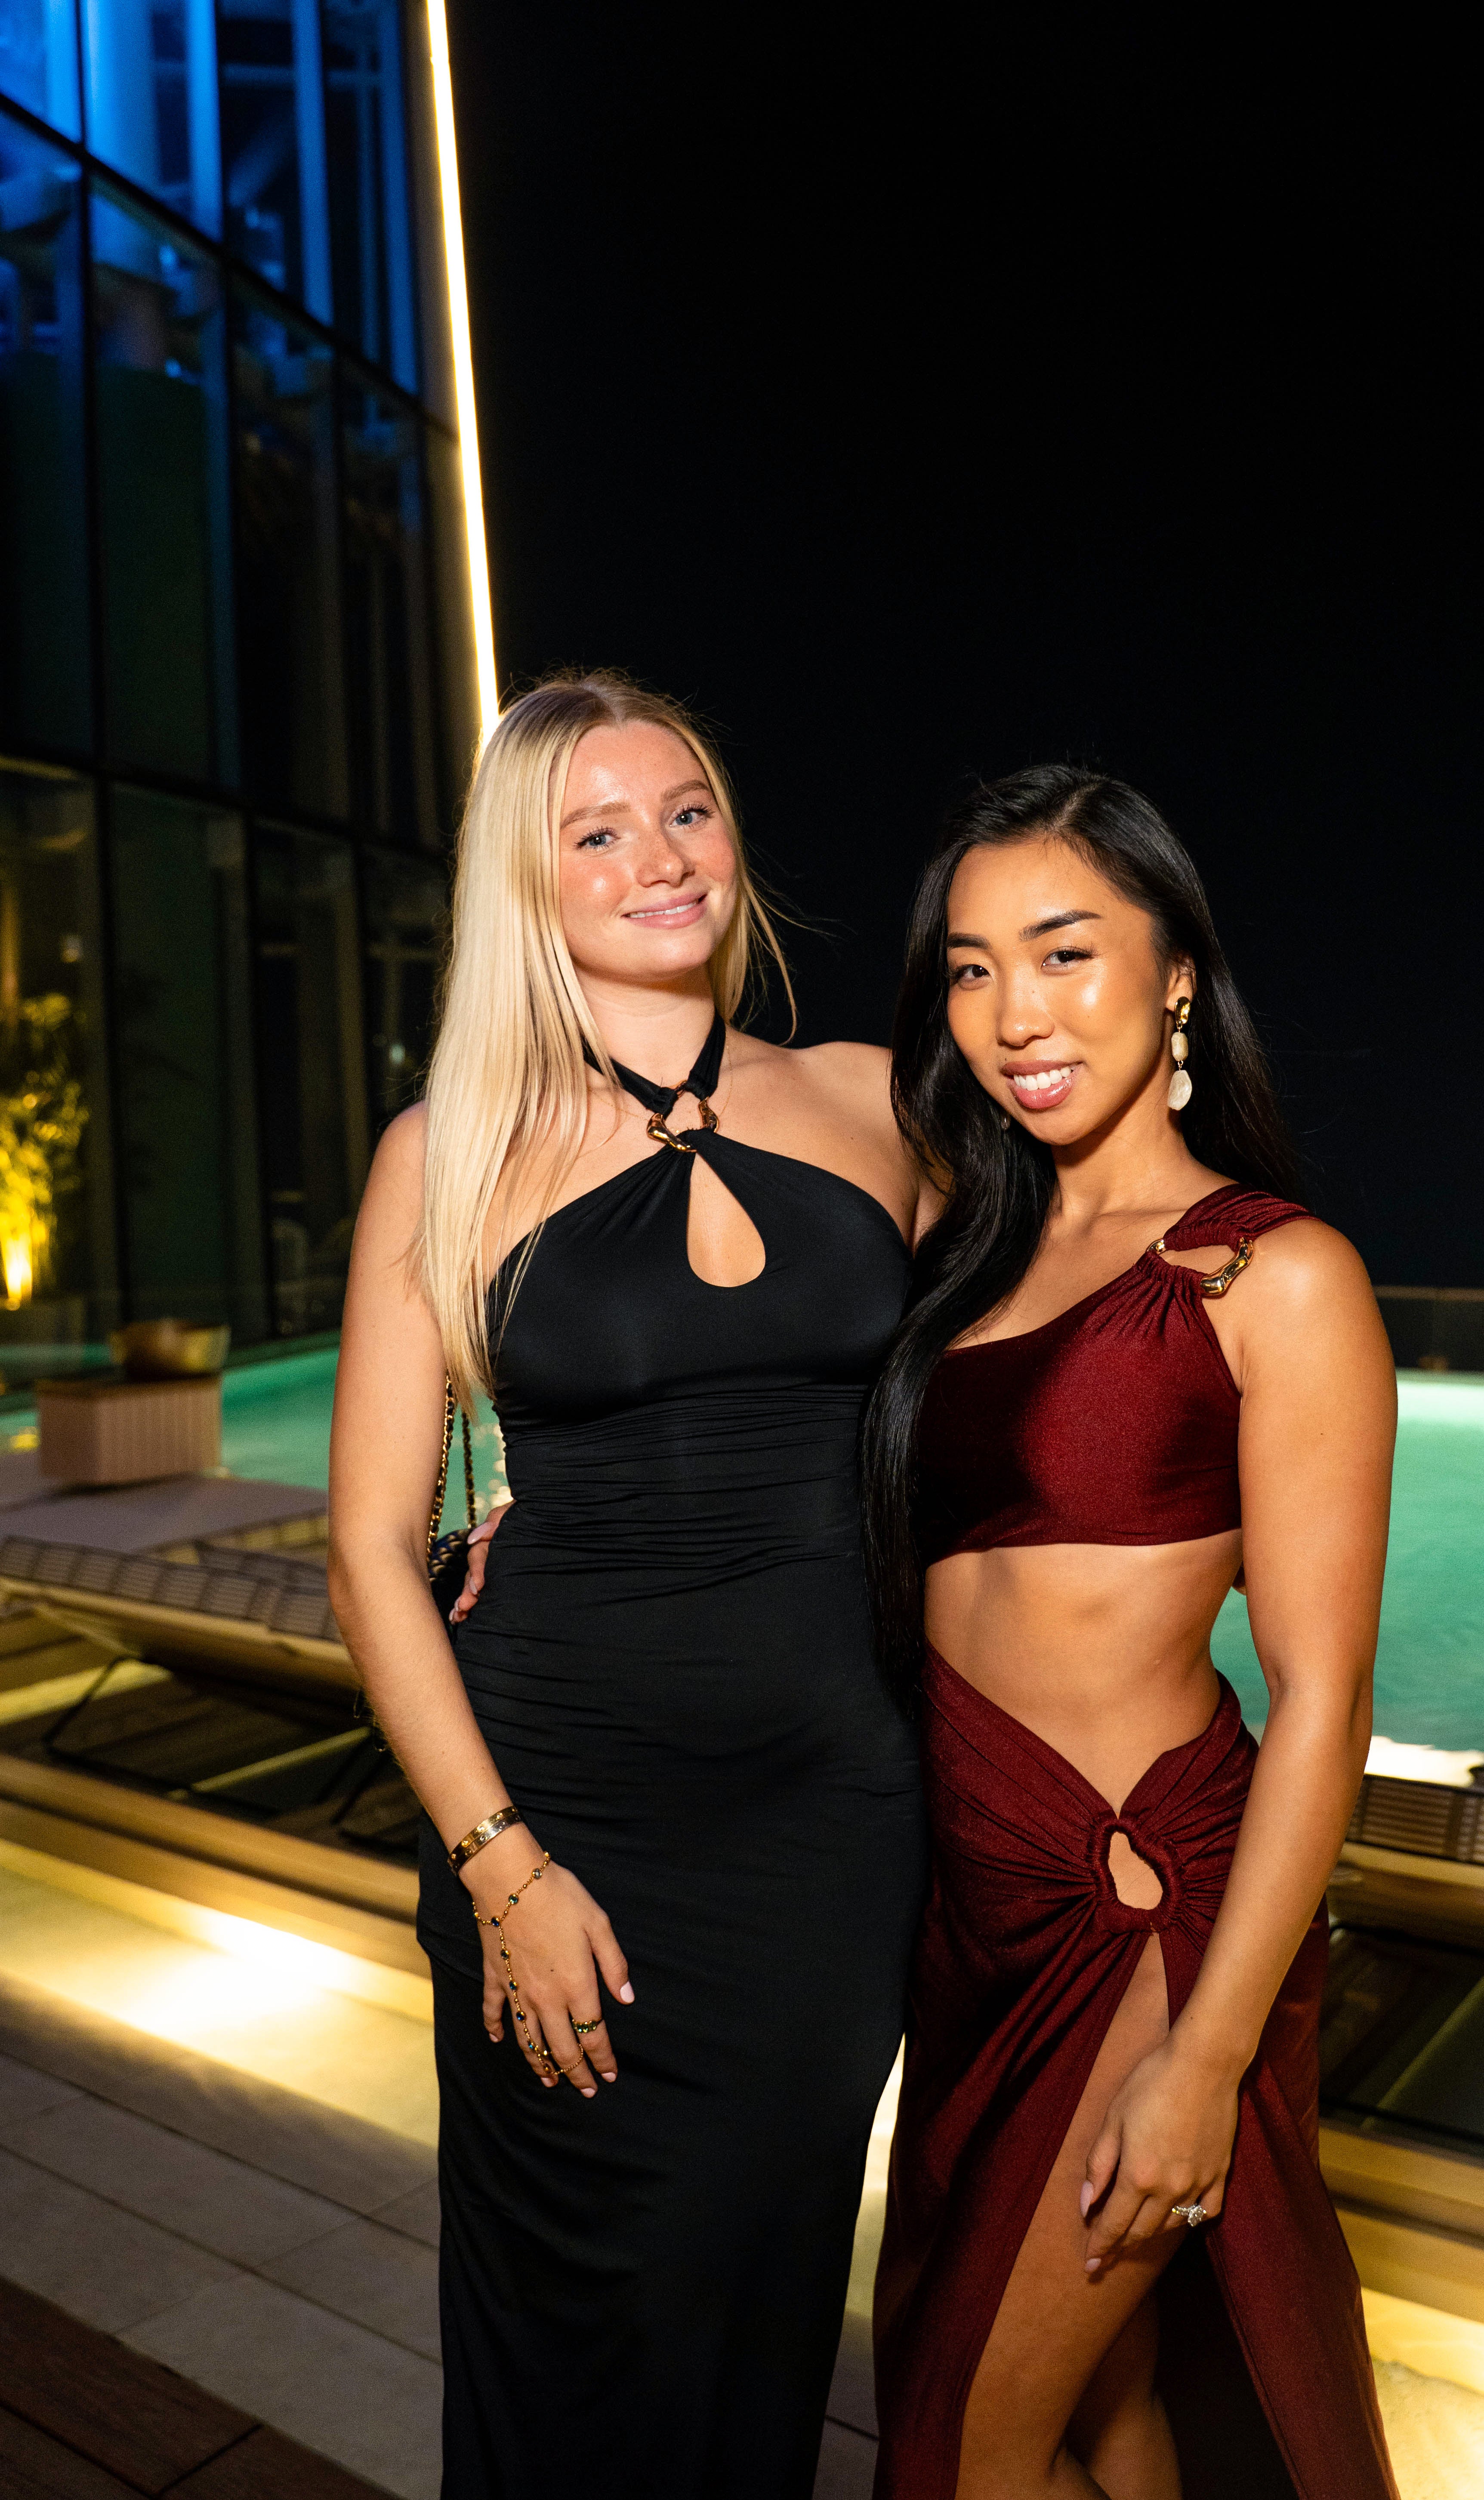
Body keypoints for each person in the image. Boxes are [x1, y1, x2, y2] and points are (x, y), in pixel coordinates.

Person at [327, 671, 929, 2499]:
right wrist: (498, 1864)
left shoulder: (877, 1098)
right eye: (596, 830)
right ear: (527, 879)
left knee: (763, 2314)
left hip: (833, 1835)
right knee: (578, 2336)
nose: (658, 856)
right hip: (562, 1821)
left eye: (687, 810)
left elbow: (1041, 1359)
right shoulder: (447, 1153)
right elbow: (367, 1551)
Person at [861, 768, 1399, 2500]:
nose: (1013, 1012)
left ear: (1176, 975)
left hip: (1136, 1921)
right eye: (970, 968)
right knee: (1106, 2415)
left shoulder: (1273, 1274)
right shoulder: (960, 1248)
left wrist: (1207, 2054)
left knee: (958, 2445)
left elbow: (1323, 1698)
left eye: (1064, 951)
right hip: (970, 1922)